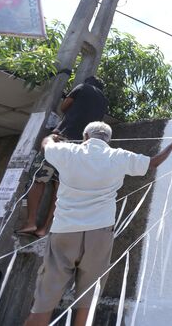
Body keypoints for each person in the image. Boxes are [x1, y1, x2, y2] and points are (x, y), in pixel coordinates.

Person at [24, 122, 172, 326]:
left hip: (64, 231)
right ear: (108, 139)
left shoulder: (67, 151)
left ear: (85, 135)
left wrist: (52, 138)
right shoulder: (118, 156)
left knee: (45, 298)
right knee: (88, 296)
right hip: (99, 233)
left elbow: (45, 145)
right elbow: (153, 163)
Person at [16, 76, 109, 238]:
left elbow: (64, 107)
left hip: (61, 140)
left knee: (38, 178)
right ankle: (44, 228)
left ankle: (31, 223)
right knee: (61, 189)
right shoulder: (104, 101)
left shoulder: (82, 87)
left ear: (88, 82)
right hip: (80, 149)